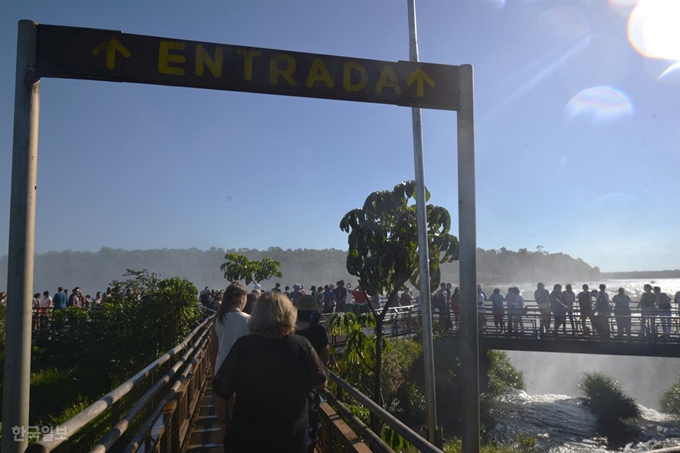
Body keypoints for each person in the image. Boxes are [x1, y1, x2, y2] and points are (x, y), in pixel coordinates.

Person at [213, 291, 326, 453]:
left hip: (249, 437)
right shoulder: (301, 345)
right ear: (289, 313)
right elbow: (321, 382)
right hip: (290, 437)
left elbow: (221, 390)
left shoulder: (242, 346)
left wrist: (224, 424)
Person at [208, 282, 251, 441]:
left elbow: (213, 350)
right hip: (243, 374)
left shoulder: (219, 319)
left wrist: (214, 373)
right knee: (238, 420)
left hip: (222, 372)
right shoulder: (249, 320)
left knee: (223, 422)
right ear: (241, 299)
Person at [294, 295, 330, 453]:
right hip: (312, 385)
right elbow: (324, 358)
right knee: (310, 424)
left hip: (292, 386)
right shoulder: (318, 331)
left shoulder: (290, 329)